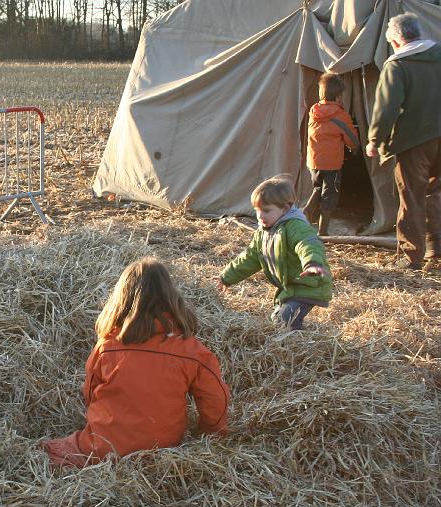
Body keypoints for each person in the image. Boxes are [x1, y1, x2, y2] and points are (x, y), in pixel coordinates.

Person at [41, 257, 229, 468]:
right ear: (172, 297)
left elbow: (91, 392)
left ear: (121, 300)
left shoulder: (107, 347)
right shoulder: (191, 350)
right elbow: (215, 398)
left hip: (105, 447)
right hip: (165, 448)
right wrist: (211, 433)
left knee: (48, 451)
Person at [366, 14, 441, 270]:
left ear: (397, 40)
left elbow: (387, 107)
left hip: (414, 140)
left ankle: (411, 257)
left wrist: (375, 139)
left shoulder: (398, 65)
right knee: (436, 193)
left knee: (412, 196)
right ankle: (436, 249)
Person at [217, 176, 332, 330]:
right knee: (277, 319)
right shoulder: (264, 232)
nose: (260, 216)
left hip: (308, 285)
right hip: (290, 286)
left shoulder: (296, 226)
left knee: (285, 321)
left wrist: (312, 263)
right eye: (257, 210)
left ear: (285, 209)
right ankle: (295, 335)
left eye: (266, 210)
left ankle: (297, 344)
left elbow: (307, 243)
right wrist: (226, 277)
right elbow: (250, 258)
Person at [303, 73, 359, 236]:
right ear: (339, 95)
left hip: (313, 161)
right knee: (329, 196)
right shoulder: (340, 115)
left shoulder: (314, 111)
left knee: (317, 188)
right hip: (332, 164)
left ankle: (306, 213)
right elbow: (352, 140)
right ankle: (323, 231)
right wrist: (355, 148)